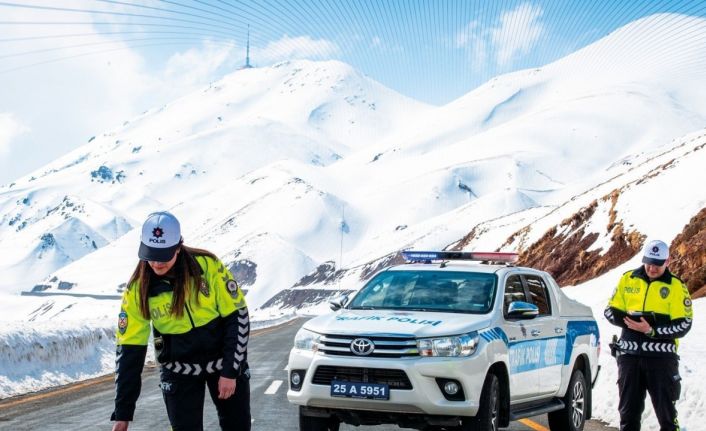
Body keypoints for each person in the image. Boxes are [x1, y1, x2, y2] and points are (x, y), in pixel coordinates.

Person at [110, 211, 251, 431]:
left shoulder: (207, 266)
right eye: (150, 255)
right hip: (178, 371)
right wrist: (123, 413)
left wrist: (230, 371)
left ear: (178, 246)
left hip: (223, 362)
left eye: (164, 255)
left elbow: (238, 317)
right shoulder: (137, 289)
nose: (156, 263)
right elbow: (129, 351)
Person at [604, 239, 693, 431]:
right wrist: (629, 322)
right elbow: (609, 311)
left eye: (657, 265)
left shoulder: (676, 286)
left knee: (667, 419)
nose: (652, 268)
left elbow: (684, 325)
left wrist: (651, 330)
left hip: (661, 360)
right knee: (628, 417)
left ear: (667, 262)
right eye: (649, 262)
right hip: (629, 358)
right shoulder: (628, 279)